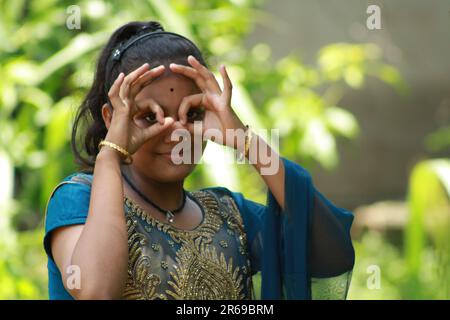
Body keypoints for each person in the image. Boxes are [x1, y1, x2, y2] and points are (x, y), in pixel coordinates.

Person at [43, 20, 355, 300]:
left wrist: (243, 139)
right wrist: (110, 154)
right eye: (149, 116)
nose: (174, 131)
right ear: (112, 118)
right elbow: (97, 291)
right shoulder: (77, 201)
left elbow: (333, 254)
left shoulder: (232, 215)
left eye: (192, 114)